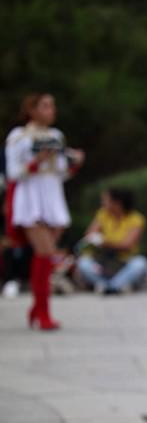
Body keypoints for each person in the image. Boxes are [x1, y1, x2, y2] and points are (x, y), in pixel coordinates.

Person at [4, 93, 84, 329]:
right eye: (45, 106)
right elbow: (12, 173)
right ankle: (43, 312)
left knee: (45, 256)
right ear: (32, 109)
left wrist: (75, 163)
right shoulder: (19, 136)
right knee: (46, 251)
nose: (51, 110)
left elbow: (60, 172)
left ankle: (37, 308)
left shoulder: (56, 135)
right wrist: (36, 160)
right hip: (30, 197)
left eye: (52, 106)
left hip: (51, 196)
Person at [77, 187, 147, 294]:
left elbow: (127, 246)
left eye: (105, 201)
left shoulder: (136, 219)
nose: (102, 204)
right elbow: (89, 235)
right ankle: (113, 287)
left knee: (140, 263)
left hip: (124, 262)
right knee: (83, 262)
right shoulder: (103, 214)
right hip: (103, 262)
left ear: (117, 203)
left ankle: (110, 287)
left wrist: (104, 242)